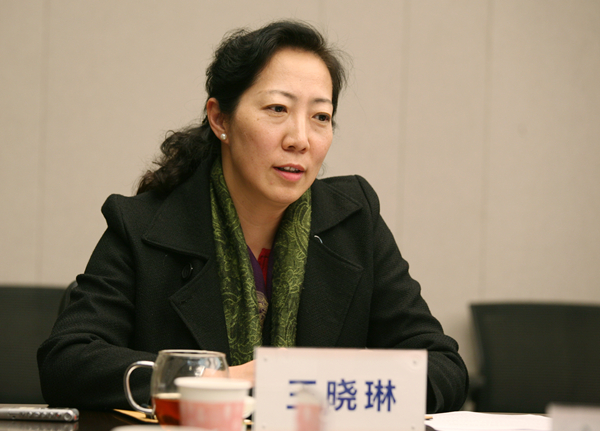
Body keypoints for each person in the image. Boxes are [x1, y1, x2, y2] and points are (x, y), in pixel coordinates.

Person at [37, 20, 468, 413]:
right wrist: (215, 381)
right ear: (219, 118)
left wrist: (314, 387)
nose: (300, 139)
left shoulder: (354, 220)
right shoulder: (143, 227)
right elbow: (67, 361)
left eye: (320, 117)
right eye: (277, 109)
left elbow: (444, 367)